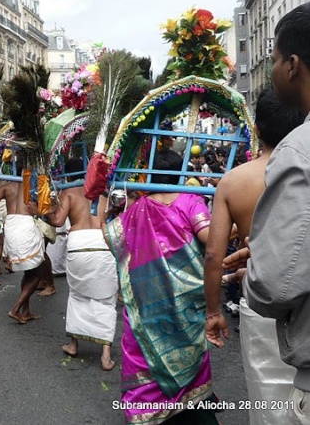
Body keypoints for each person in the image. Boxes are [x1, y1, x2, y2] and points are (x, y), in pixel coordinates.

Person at [228, 5, 310, 423]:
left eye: (274, 59)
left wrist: (259, 269)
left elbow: (274, 288)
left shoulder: (298, 152)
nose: (273, 68)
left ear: (293, 66)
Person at [204, 89, 304, 425]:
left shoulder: (233, 181)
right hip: (303, 301)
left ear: (256, 129)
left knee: (266, 399)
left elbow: (214, 254)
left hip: (259, 299)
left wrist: (213, 311)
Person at [104, 149, 218, 424]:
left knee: (145, 357)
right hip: (185, 308)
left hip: (145, 303)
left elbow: (112, 238)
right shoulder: (190, 202)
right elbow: (208, 237)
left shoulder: (137, 208)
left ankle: (147, 413)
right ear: (181, 172)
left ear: (150, 173)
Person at [42, 159, 117, 371]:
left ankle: (74, 345)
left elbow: (57, 221)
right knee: (107, 298)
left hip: (78, 244)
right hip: (102, 242)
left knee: (77, 295)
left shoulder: (70, 193)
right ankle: (105, 355)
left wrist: (43, 208)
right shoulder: (106, 193)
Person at [0, 174, 48, 324]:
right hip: (26, 226)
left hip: (11, 225)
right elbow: (45, 208)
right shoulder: (35, 184)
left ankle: (25, 311)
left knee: (29, 272)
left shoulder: (7, 187)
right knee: (37, 273)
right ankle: (16, 309)